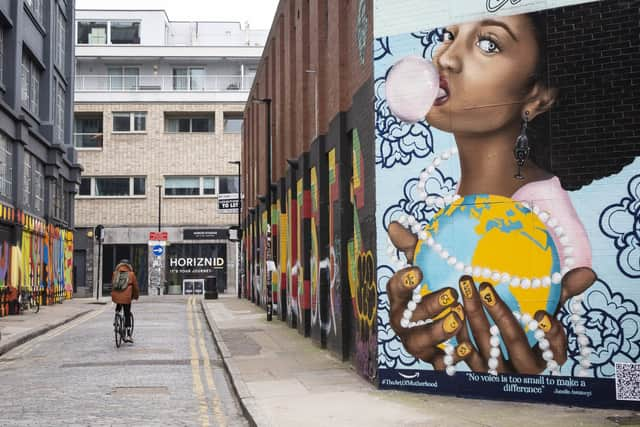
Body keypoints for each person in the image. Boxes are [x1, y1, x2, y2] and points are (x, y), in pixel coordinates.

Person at [385, 12, 600, 375]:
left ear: (539, 97)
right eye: (449, 35)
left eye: (488, 44)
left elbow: (548, 317)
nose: (446, 57)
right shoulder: (459, 205)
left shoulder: (547, 221)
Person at [111, 259, 139, 343]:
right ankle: (128, 335)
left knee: (119, 304)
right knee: (127, 313)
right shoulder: (131, 274)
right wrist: (135, 296)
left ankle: (116, 319)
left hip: (116, 296)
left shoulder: (115, 273)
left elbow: (112, 284)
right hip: (127, 297)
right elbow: (135, 287)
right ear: (128, 266)